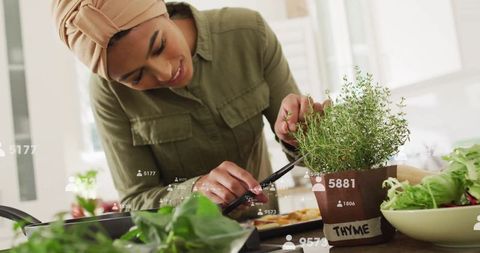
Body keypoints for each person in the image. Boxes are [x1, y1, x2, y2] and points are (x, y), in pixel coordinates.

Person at [51, 0, 325, 219]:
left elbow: (315, 156)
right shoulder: (108, 92)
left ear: (161, 9)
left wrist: (300, 133)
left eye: (159, 45)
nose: (165, 72)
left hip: (269, 231)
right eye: (135, 78)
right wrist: (194, 191)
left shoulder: (248, 33)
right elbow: (136, 200)